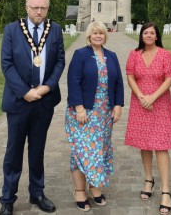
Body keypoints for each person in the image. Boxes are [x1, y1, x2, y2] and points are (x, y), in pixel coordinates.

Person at [0, 0, 65, 215]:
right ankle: (8, 198)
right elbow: (6, 64)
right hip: (19, 101)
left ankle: (37, 192)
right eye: (35, 7)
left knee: (37, 150)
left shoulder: (54, 29)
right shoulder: (12, 30)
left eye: (43, 8)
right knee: (13, 151)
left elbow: (60, 61)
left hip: (44, 101)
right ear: (27, 7)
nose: (39, 11)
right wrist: (25, 92)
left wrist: (47, 87)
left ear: (47, 9)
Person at [125, 22, 171, 215]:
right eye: (146, 32)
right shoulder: (134, 54)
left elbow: (169, 79)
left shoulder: (165, 54)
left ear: (157, 35)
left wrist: (152, 97)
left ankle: (166, 190)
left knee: (161, 146)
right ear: (141, 35)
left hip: (160, 104)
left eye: (152, 33)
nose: (149, 35)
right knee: (144, 144)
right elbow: (130, 76)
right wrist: (142, 97)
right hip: (140, 103)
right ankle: (149, 179)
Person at [65, 21, 124, 212]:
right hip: (84, 113)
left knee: (100, 150)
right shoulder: (81, 54)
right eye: (94, 33)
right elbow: (73, 81)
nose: (98, 36)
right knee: (82, 151)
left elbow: (118, 84)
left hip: (104, 114)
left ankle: (95, 188)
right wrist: (79, 108)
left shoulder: (112, 56)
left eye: (101, 33)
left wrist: (118, 106)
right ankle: (80, 190)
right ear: (89, 36)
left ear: (105, 36)